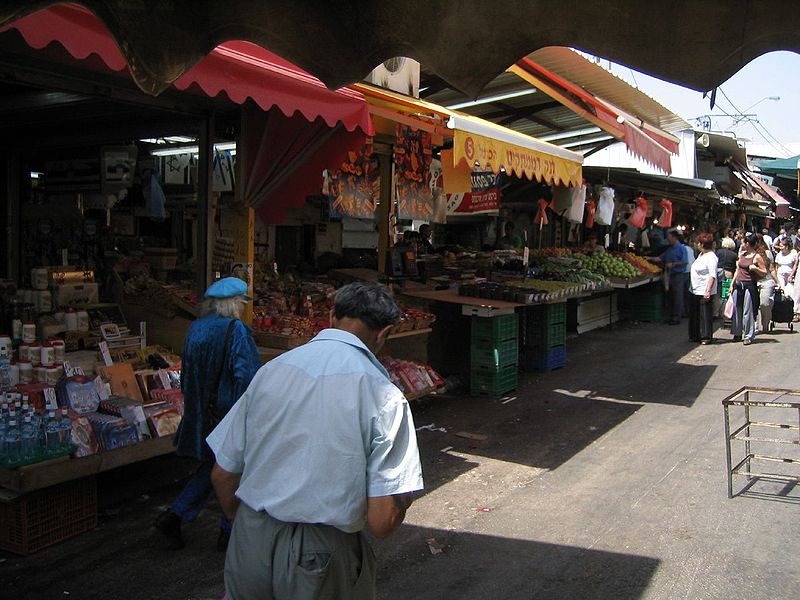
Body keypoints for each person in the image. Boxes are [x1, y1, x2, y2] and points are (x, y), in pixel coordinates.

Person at [208, 282, 423, 599]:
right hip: (320, 552)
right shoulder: (383, 396)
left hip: (250, 538)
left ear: (332, 316)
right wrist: (403, 499)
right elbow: (382, 521)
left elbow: (222, 474)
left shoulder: (273, 370)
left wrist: (245, 523)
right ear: (383, 333)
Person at [154, 277, 261, 552]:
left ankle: (175, 516)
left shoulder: (196, 328)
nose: (242, 307)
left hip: (202, 413)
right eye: (240, 302)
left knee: (216, 467)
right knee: (232, 469)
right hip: (229, 413)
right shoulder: (236, 331)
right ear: (233, 304)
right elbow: (247, 377)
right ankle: (227, 530)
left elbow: (186, 374)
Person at [730, 232, 768, 345]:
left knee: (748, 311)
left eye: (743, 242)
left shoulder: (757, 257)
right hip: (738, 284)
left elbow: (764, 272)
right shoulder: (742, 254)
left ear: (748, 244)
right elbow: (737, 270)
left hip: (749, 285)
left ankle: (748, 335)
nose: (741, 244)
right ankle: (737, 333)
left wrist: (755, 269)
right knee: (737, 309)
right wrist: (732, 284)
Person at [688, 233, 718, 344]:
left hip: (704, 290)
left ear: (701, 244)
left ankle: (706, 336)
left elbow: (712, 275)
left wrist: (708, 291)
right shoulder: (701, 255)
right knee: (695, 314)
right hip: (695, 289)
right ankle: (695, 335)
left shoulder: (711, 257)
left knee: (705, 315)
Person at [659, 229, 689, 325]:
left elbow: (685, 261)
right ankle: (670, 316)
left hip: (678, 275)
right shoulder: (669, 249)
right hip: (669, 275)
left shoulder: (681, 248)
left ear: (674, 237)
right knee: (670, 296)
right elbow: (661, 257)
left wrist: (673, 264)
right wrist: (648, 258)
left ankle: (676, 317)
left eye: (669, 237)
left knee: (677, 297)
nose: (667, 239)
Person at [755, 238, 778, 334]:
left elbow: (772, 268)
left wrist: (777, 281)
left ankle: (765, 324)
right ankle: (754, 327)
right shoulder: (748, 253)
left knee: (764, 304)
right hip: (753, 281)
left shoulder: (767, 253)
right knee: (753, 305)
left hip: (766, 281)